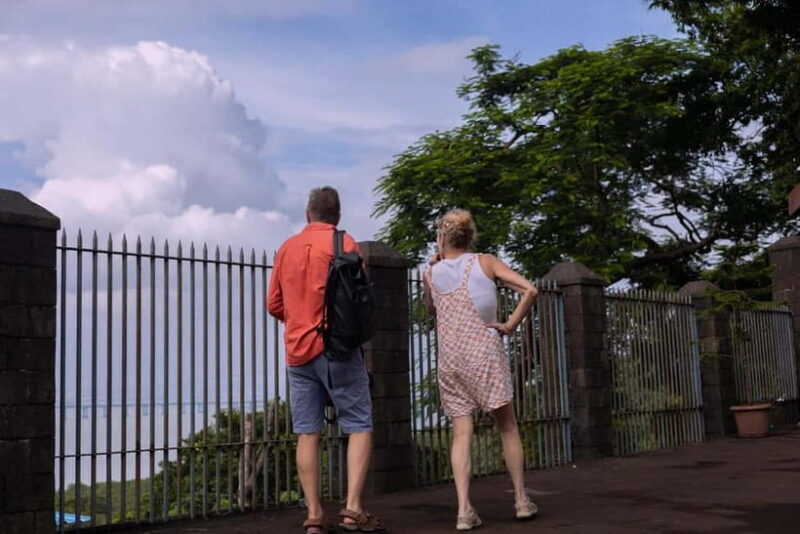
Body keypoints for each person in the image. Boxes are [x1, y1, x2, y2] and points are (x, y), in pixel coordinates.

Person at [268, 186, 384, 534]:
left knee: (307, 432)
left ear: (308, 214)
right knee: (359, 423)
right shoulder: (344, 244)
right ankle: (352, 509)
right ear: (338, 215)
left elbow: (273, 304)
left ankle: (314, 516)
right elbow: (359, 298)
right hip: (338, 349)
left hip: (298, 353)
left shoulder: (286, 248)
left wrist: (299, 317)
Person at [423, 209, 540, 531]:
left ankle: (463, 510)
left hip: (451, 358)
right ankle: (520, 500)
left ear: (442, 237)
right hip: (484, 353)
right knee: (507, 426)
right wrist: (511, 324)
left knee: (462, 432)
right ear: (469, 236)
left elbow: (432, 308)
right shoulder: (485, 262)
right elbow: (530, 289)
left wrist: (434, 266)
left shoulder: (430, 273)